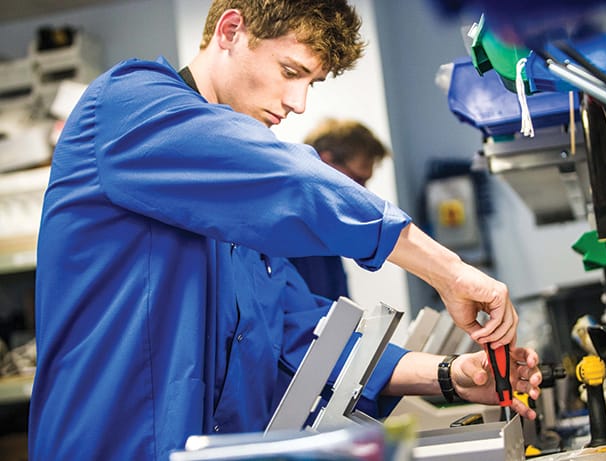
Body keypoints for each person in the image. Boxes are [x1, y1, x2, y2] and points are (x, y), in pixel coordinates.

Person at [28, 1, 541, 460]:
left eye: (311, 83)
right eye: (290, 71)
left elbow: (302, 332)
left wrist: (452, 376)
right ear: (230, 31)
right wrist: (446, 271)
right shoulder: (126, 106)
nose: (298, 103)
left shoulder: (240, 212)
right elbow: (292, 179)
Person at [289, 118, 388, 300]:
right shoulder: (287, 226)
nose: (361, 193)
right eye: (357, 180)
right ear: (326, 162)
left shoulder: (325, 231)